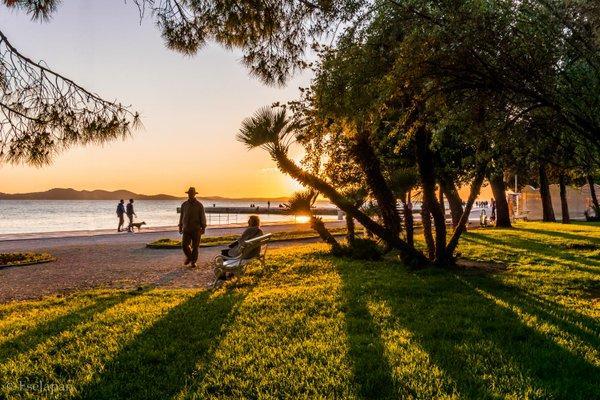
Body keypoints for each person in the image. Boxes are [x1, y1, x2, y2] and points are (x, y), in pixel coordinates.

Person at [179, 187, 207, 267]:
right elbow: (181, 216)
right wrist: (180, 226)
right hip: (186, 229)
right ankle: (190, 257)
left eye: (192, 193)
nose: (190, 195)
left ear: (194, 194)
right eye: (189, 193)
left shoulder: (199, 205)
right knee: (184, 245)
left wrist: (203, 227)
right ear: (188, 194)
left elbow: (202, 216)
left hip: (196, 229)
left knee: (195, 247)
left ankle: (193, 262)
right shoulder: (184, 205)